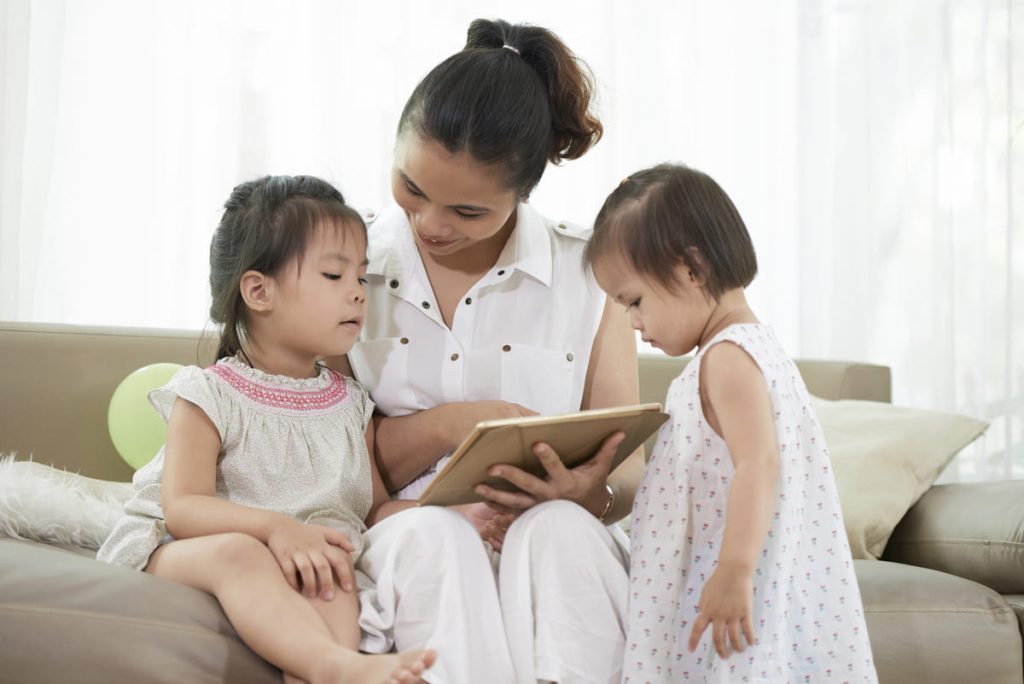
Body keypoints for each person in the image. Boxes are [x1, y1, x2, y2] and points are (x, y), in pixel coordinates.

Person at [332, 18, 642, 684]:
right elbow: (318, 450)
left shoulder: (589, 273)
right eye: (411, 188)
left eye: (467, 212)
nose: (431, 224)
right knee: (432, 535)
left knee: (557, 528)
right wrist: (457, 424)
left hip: (552, 535)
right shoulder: (338, 264)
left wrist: (592, 493)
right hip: (409, 534)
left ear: (523, 192)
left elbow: (629, 465)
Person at [96, 175, 437, 684]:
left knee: (333, 567)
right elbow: (184, 509)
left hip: (304, 551)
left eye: (361, 279)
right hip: (189, 548)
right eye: (332, 276)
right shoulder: (209, 393)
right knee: (243, 553)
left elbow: (372, 507)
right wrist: (277, 528)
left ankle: (326, 669)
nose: (357, 294)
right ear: (258, 291)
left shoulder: (349, 404)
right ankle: (334, 666)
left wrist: (446, 512)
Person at [583, 163, 879, 683]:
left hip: (734, 583)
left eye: (635, 301)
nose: (632, 322)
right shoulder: (751, 349)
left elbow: (758, 463)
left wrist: (734, 569)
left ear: (691, 269)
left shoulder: (727, 358)